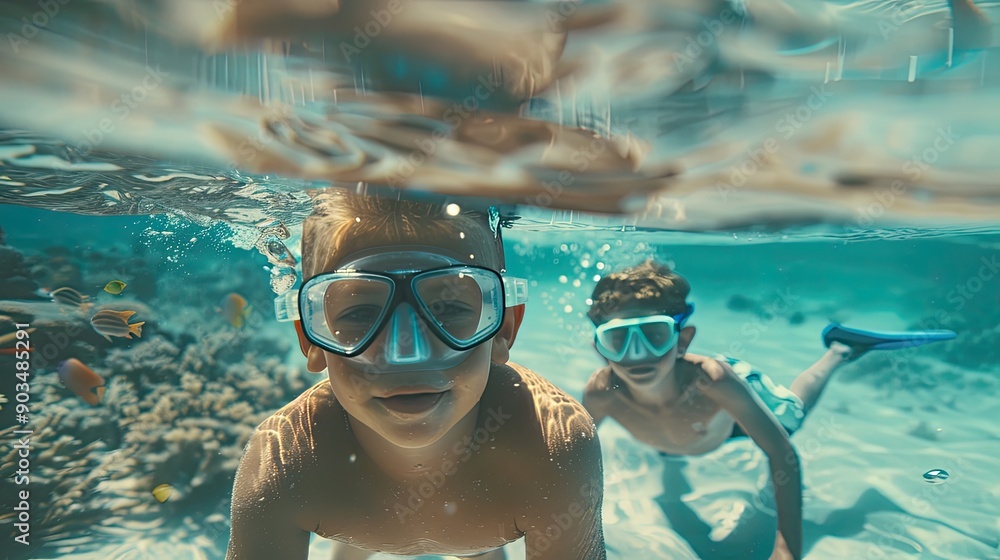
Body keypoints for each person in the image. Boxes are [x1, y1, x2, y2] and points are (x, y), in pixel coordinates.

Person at [226, 187, 606, 560]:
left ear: (503, 329)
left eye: (448, 308)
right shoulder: (283, 463)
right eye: (360, 314)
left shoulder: (552, 445)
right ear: (310, 338)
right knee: (361, 543)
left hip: (465, 528)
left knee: (476, 549)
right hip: (375, 525)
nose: (406, 353)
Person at [581, 259, 954, 560]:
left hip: (726, 418)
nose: (638, 355)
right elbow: (573, 455)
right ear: (600, 348)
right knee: (669, 463)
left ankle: (839, 350)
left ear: (683, 341)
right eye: (618, 340)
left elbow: (781, 453)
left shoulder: (713, 382)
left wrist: (787, 548)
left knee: (789, 419)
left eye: (654, 335)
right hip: (681, 437)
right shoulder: (601, 395)